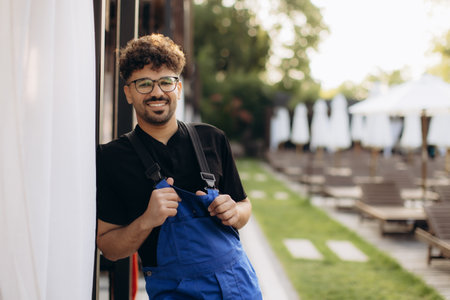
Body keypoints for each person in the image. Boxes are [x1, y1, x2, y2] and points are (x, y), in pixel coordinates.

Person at [96, 33, 262, 299]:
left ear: (179, 88)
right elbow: (109, 247)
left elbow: (244, 206)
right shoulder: (111, 158)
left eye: (166, 82)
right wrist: (147, 220)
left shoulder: (213, 138)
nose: (157, 92)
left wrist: (234, 212)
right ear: (128, 93)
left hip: (238, 285)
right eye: (144, 84)